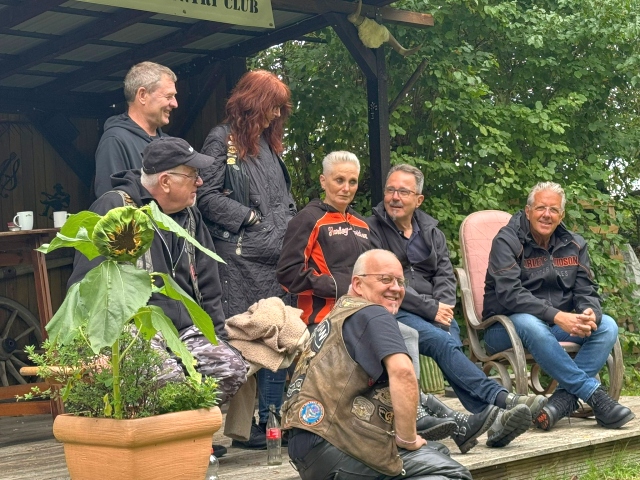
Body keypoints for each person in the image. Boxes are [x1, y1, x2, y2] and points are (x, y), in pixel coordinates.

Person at [367, 164, 544, 453]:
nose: (395, 197)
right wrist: (431, 309)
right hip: (397, 310)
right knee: (443, 342)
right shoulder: (371, 230)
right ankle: (502, 401)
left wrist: (444, 306)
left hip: (436, 312)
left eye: (403, 192)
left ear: (418, 199)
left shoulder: (431, 231)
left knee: (446, 341)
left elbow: (445, 275)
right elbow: (387, 281)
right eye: (390, 190)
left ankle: (491, 418)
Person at [68, 136, 249, 410]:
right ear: (165, 181)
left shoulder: (191, 215)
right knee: (167, 379)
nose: (200, 182)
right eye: (193, 175)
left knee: (230, 369)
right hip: (135, 330)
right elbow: (86, 284)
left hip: (183, 329)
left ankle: (181, 427)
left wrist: (217, 340)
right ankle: (166, 430)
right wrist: (97, 349)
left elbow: (209, 286)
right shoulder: (116, 210)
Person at [282, 250, 473, 480]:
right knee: (453, 474)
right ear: (358, 284)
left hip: (308, 452)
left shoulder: (339, 314)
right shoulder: (373, 312)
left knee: (436, 452)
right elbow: (403, 372)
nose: (396, 288)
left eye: (400, 282)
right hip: (337, 444)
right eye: (385, 279)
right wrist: (407, 438)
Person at [483, 181, 635, 431]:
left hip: (552, 327)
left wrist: (589, 312)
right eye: (541, 208)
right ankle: (593, 394)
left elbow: (586, 290)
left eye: (553, 210)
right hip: (504, 328)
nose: (547, 214)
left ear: (561, 215)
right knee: (530, 323)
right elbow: (510, 294)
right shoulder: (506, 241)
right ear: (528, 211)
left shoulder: (574, 244)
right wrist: (557, 316)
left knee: (606, 325)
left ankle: (559, 404)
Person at [197, 70, 297, 449]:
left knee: (278, 339)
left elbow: (282, 200)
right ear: (253, 103)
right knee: (242, 343)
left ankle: (268, 423)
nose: (277, 114)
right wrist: (249, 218)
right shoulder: (221, 140)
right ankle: (234, 428)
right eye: (273, 106)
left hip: (277, 259)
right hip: (240, 260)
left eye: (281, 108)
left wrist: (291, 228)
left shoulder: (269, 144)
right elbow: (205, 196)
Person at [94, 61, 178, 197]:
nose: (175, 104)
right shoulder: (115, 140)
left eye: (174, 97)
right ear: (142, 95)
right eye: (168, 96)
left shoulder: (169, 143)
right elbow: (112, 202)